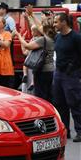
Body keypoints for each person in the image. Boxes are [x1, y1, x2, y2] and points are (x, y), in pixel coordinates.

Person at [52, 13, 81, 142]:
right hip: (58, 74)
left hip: (71, 75)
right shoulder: (57, 37)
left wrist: (73, 68)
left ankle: (80, 131)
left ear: (64, 22)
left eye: (56, 22)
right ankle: (65, 131)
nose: (54, 24)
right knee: (60, 103)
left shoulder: (76, 37)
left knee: (74, 103)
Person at [14, 18, 56, 103]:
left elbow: (27, 46)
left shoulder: (42, 40)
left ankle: (44, 112)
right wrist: (31, 16)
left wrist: (19, 36)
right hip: (50, 70)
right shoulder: (53, 38)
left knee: (41, 96)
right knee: (49, 94)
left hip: (41, 70)